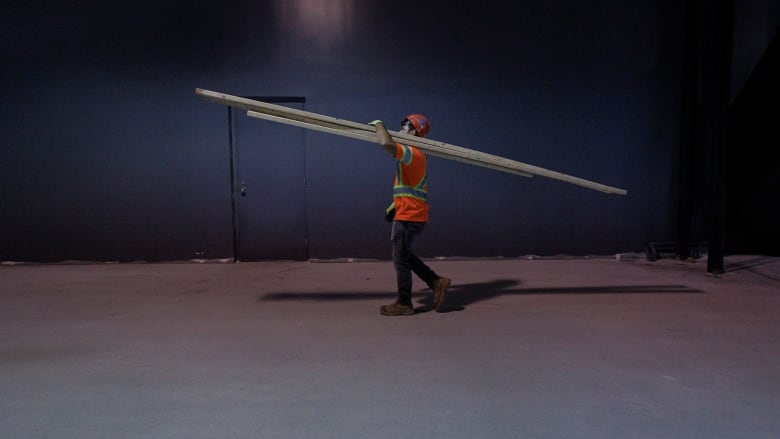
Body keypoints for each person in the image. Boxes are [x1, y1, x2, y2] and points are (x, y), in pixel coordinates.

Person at [369, 115, 451, 316]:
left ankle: (404, 303)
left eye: (404, 127)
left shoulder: (411, 153)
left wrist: (379, 123)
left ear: (413, 132)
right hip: (409, 211)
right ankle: (436, 281)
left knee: (400, 260)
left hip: (409, 215)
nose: (400, 130)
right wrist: (394, 205)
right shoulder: (417, 154)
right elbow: (410, 187)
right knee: (403, 255)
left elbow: (385, 142)